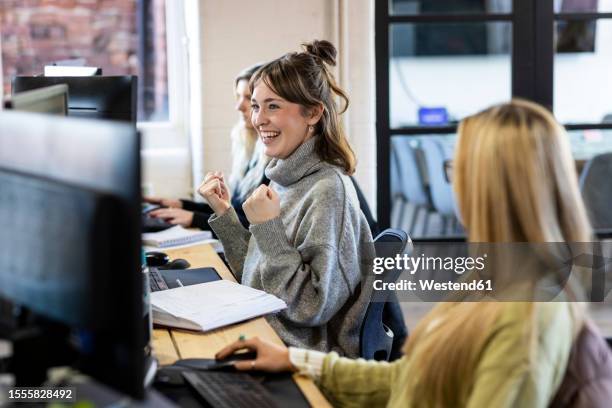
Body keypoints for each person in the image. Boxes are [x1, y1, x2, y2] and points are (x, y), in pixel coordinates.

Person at [214, 99, 599, 406]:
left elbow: (308, 305)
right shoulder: (496, 278)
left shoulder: (527, 320)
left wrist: (265, 229)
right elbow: (411, 376)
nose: (453, 183)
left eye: (456, 169)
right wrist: (294, 361)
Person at [198, 40, 373, 357]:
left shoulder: (327, 189)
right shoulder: (285, 177)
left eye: (273, 106)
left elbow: (310, 308)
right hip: (270, 331)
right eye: (255, 105)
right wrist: (225, 214)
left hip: (299, 350)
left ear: (313, 113)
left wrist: (267, 228)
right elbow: (258, 278)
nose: (258, 119)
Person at [146, 63, 270, 230]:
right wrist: (182, 205)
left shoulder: (274, 157)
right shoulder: (251, 148)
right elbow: (234, 212)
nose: (239, 106)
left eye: (249, 99)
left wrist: (195, 219)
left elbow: (258, 227)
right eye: (238, 97)